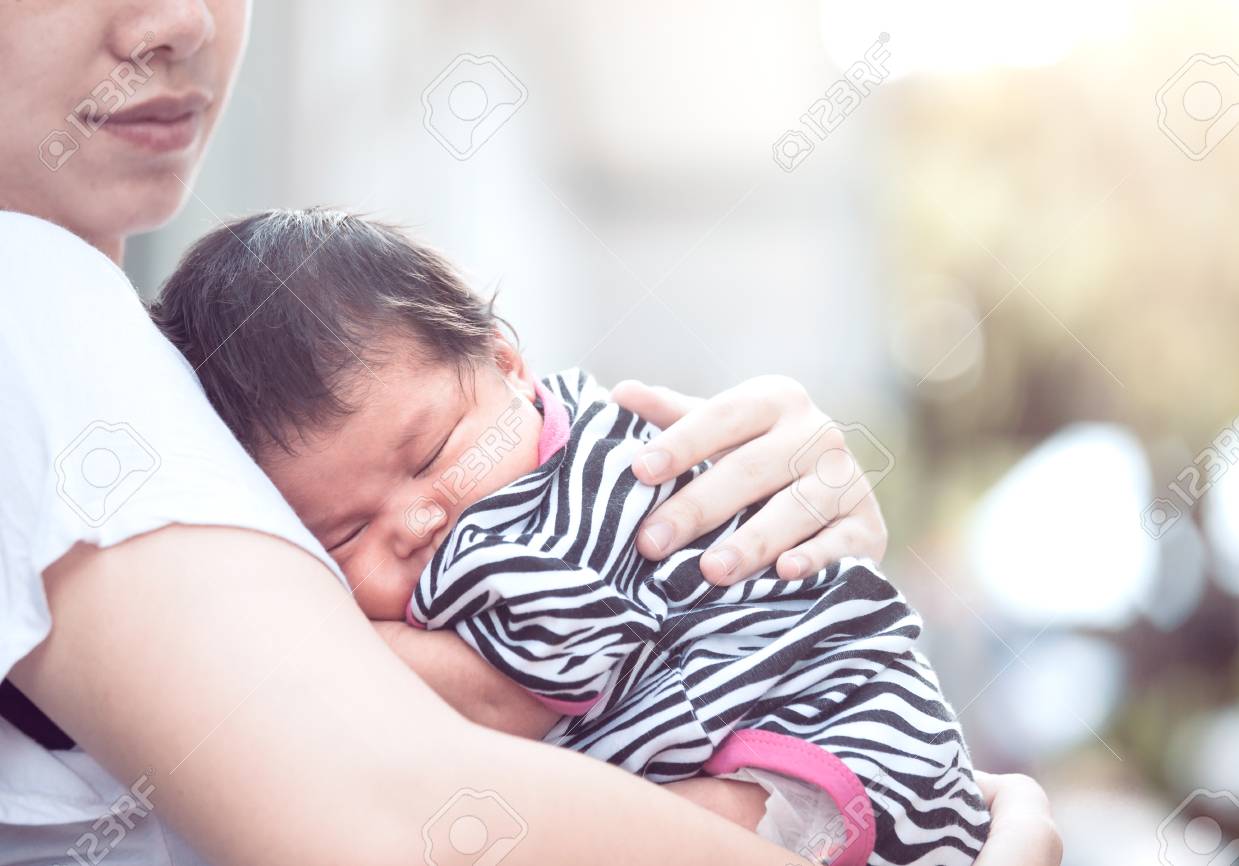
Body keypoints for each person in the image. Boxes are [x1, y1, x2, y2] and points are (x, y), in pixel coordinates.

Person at [0, 2, 1062, 865]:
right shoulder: (30, 294)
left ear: (507, 362)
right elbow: (402, 810)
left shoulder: (114, 344)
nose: (178, 21)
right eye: (339, 534)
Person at [151, 208, 992, 866]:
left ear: (509, 367)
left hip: (835, 756)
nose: (415, 523)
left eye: (434, 453)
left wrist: (296, 633)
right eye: (343, 533)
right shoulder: (503, 463)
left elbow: (510, 692)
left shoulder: (570, 491)